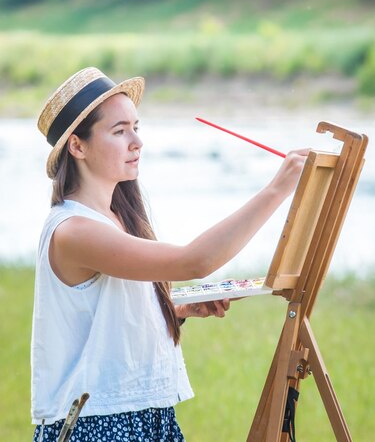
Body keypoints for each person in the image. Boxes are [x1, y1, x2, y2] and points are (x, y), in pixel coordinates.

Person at [31, 66, 308, 442]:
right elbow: (195, 262)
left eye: (136, 127)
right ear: (77, 147)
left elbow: (104, 320)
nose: (136, 142)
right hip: (96, 424)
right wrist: (277, 189)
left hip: (143, 414)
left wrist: (174, 311)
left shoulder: (117, 218)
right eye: (119, 131)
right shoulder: (73, 231)